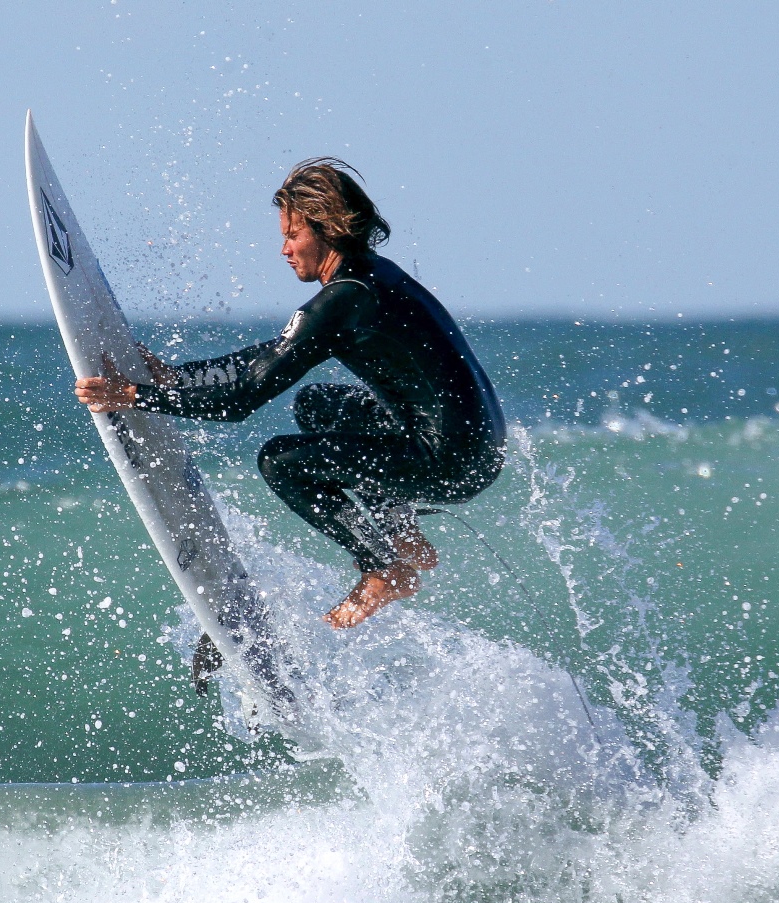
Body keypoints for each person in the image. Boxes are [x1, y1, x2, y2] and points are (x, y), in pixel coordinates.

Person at [75, 158, 505, 629]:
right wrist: (177, 378)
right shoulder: (374, 276)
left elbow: (242, 400)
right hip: (475, 447)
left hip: (447, 460)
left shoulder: (345, 298)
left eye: (292, 235)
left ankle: (384, 567)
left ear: (328, 230)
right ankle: (400, 533)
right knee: (318, 404)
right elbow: (268, 358)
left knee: (280, 460)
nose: (283, 249)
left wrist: (135, 395)